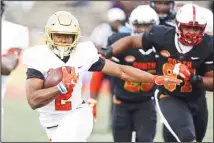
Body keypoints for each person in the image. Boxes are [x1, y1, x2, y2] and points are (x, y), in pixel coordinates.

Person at [22, 11, 181, 142]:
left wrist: (154, 78)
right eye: (58, 35)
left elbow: (121, 70)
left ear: (76, 37)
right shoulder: (38, 57)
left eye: (68, 36)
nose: (63, 39)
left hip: (77, 113)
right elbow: (33, 100)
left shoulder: (83, 54)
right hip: (51, 122)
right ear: (50, 35)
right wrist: (61, 87)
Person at [101, 4, 213, 142]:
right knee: (187, 137)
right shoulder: (162, 36)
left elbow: (211, 82)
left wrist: (194, 78)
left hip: (196, 98)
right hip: (169, 94)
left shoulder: (208, 44)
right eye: (187, 27)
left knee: (195, 137)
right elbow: (130, 41)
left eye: (196, 28)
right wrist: (108, 51)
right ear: (178, 25)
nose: (191, 32)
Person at [107, 5, 160, 142]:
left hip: (146, 102)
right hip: (121, 102)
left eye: (147, 26)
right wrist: (93, 99)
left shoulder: (162, 45)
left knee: (145, 139)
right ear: (131, 25)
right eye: (139, 25)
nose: (142, 30)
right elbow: (102, 67)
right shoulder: (118, 41)